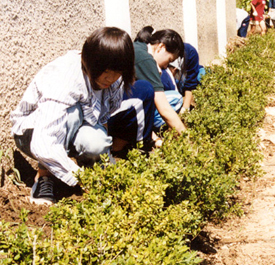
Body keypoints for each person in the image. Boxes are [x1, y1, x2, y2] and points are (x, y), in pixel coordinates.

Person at [11, 27, 136, 205]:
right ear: (91, 59)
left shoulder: (116, 79)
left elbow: (103, 120)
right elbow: (44, 142)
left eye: (117, 72)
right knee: (73, 113)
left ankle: (82, 171)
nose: (110, 78)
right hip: (32, 133)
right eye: (106, 71)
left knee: (96, 141)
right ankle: (44, 178)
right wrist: (82, 179)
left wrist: (107, 168)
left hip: (70, 130)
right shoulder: (67, 76)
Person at [110, 26, 186, 151]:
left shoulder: (139, 48)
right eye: (169, 60)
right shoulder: (146, 59)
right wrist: (187, 138)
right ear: (161, 47)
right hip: (110, 113)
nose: (166, 66)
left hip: (109, 109)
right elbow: (164, 109)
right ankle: (132, 146)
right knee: (148, 90)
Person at [161, 42, 206, 114]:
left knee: (201, 77)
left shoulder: (190, 52)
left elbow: (191, 83)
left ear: (175, 69)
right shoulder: (163, 69)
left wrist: (185, 107)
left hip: (197, 74)